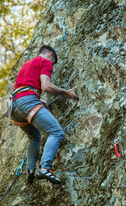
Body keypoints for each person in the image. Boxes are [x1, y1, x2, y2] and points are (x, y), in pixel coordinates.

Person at [11, 45, 79, 185]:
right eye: (53, 62)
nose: (51, 65)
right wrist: (65, 92)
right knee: (56, 132)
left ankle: (30, 171)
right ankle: (45, 168)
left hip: (14, 106)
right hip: (28, 102)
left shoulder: (27, 64)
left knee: (34, 137)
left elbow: (23, 87)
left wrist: (39, 99)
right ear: (50, 55)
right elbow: (46, 86)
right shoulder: (45, 62)